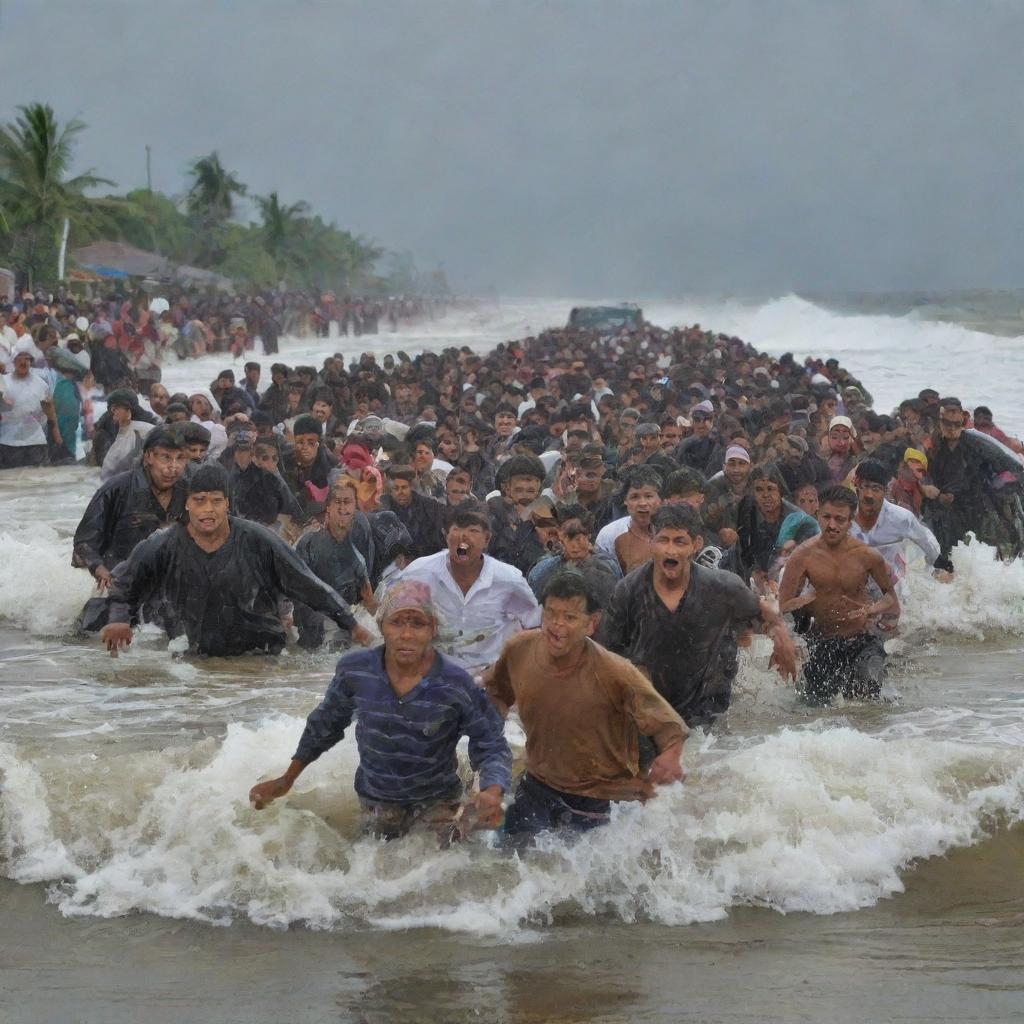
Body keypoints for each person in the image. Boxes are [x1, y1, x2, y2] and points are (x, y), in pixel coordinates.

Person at [249, 580, 512, 841]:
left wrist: (492, 790)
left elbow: (491, 744)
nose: (406, 635)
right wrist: (287, 779)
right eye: (396, 622)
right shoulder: (356, 671)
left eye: (417, 623)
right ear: (381, 627)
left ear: (433, 629)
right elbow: (324, 727)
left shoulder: (455, 683)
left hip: (437, 803)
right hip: (376, 803)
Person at [484, 569, 687, 842]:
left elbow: (668, 727)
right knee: (502, 864)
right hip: (537, 786)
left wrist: (670, 757)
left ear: (592, 623)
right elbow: (495, 693)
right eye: (551, 613)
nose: (556, 625)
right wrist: (487, 745)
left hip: (596, 797)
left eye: (569, 617)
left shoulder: (615, 672)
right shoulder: (519, 650)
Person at [99, 463, 373, 657]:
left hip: (259, 657)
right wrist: (118, 618)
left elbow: (307, 583)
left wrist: (351, 623)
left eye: (216, 501)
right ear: (187, 503)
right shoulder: (163, 544)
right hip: (197, 659)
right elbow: (123, 584)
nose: (208, 509)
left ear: (228, 503)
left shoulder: (259, 540)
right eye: (200, 500)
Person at [601, 504, 796, 728]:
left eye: (679, 541)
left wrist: (782, 639)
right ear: (652, 542)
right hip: (652, 708)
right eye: (663, 540)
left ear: (696, 544)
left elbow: (763, 617)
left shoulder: (723, 587)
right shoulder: (629, 591)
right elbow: (605, 653)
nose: (670, 551)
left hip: (708, 708)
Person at [778, 485, 898, 704]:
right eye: (826, 517)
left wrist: (870, 610)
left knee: (868, 692)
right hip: (823, 643)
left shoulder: (868, 556)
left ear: (850, 520)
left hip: (862, 641)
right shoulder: (802, 556)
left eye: (840, 519)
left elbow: (891, 599)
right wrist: (807, 601)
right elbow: (783, 606)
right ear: (818, 515)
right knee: (811, 708)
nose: (832, 525)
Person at [392, 502, 540, 674]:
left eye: (473, 530)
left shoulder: (508, 579)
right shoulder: (419, 572)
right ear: (446, 535)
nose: (463, 536)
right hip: (432, 678)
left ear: (487, 539)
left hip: (489, 680)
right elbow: (393, 618)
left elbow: (534, 626)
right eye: (456, 529)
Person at [73, 427, 190, 591]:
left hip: (170, 582)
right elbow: (85, 542)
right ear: (148, 456)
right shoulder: (116, 489)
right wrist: (99, 569)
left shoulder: (190, 492)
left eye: (180, 458)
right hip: (119, 580)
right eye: (165, 458)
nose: (173, 467)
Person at [925, 398, 1024, 566]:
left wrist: (998, 489)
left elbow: (1013, 467)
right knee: (952, 558)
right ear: (939, 422)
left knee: (991, 557)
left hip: (980, 507)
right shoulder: (935, 446)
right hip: (949, 511)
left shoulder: (977, 442)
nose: (952, 429)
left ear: (964, 420)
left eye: (957, 424)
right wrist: (935, 492)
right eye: (947, 423)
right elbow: (927, 475)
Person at [293, 477, 377, 648]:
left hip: (347, 620)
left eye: (347, 502)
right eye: (337, 502)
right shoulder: (308, 542)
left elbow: (368, 595)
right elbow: (295, 585)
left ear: (355, 507)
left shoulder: (359, 544)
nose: (342, 508)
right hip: (312, 619)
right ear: (328, 507)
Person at [849, 459, 941, 582]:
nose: (868, 495)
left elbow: (928, 543)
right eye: (865, 487)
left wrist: (938, 568)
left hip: (892, 582)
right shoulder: (843, 516)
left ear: (886, 491)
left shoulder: (901, 518)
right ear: (856, 485)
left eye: (876, 489)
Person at [0, 343, 57, 468]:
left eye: (27, 359)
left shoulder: (41, 384)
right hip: (7, 443)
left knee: (35, 482)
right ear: (13, 362)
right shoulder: (3, 382)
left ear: (31, 362)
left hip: (35, 443)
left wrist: (56, 433)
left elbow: (49, 409)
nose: (23, 362)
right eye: (19, 358)